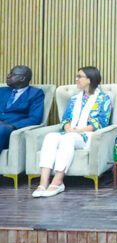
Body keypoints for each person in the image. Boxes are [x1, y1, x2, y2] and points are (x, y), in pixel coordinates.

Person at [32, 67, 111, 198]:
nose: (76, 79)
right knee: (51, 137)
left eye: (79, 77)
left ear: (89, 80)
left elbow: (102, 123)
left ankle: (57, 182)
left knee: (68, 139)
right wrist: (68, 127)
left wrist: (78, 131)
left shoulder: (103, 99)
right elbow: (66, 119)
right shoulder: (74, 99)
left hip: (88, 136)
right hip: (70, 133)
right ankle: (43, 183)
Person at [0, 65, 45, 152]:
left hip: (10, 129)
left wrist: (11, 126)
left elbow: (35, 119)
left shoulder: (35, 94)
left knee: (2, 129)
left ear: (22, 78)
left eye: (12, 74)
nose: (8, 76)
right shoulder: (2, 91)